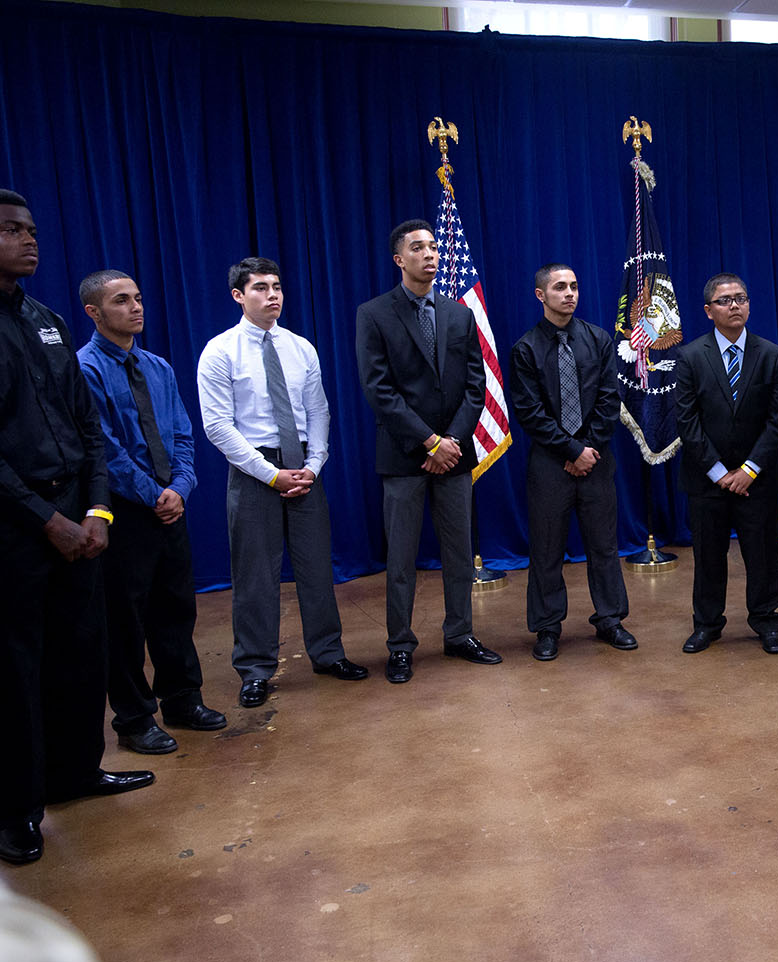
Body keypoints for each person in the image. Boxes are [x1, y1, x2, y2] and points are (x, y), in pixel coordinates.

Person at [0, 189, 153, 867]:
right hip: (15, 528)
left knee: (79, 656)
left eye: (31, 228)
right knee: (15, 674)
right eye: (11, 230)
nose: (29, 240)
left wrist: (96, 510)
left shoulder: (48, 322)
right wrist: (46, 520)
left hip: (79, 519)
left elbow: (87, 429)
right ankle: (17, 809)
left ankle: (76, 773)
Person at [197, 257, 368, 709]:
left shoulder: (300, 348)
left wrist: (313, 465)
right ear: (238, 295)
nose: (272, 295)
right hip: (256, 474)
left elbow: (319, 413)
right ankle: (255, 669)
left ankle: (328, 655)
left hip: (305, 471)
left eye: (276, 286)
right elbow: (218, 426)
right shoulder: (220, 351)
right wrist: (271, 474)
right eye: (260, 288)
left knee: (316, 571)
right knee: (255, 578)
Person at [77, 270, 226, 754]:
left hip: (170, 505)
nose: (136, 308)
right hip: (125, 512)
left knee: (176, 608)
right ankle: (135, 717)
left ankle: (183, 699)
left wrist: (179, 488)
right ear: (94, 313)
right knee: (126, 619)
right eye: (122, 301)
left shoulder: (158, 366)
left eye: (138, 298)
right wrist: (152, 494)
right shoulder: (84, 369)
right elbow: (103, 448)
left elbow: (183, 434)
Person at [356, 219, 501, 684]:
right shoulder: (374, 314)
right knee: (401, 559)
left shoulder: (459, 314)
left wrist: (452, 442)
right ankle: (400, 645)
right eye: (418, 248)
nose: (430, 253)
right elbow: (379, 390)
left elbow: (476, 387)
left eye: (434, 246)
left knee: (460, 552)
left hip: (455, 456)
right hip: (405, 457)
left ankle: (460, 635)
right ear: (400, 259)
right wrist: (429, 441)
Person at [509, 264, 635, 662]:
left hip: (596, 459)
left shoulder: (598, 339)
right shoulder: (526, 348)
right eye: (560, 287)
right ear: (540, 295)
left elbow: (608, 399)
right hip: (550, 464)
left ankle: (610, 618)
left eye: (574, 286)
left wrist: (587, 450)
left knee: (603, 544)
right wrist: (570, 451)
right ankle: (547, 627)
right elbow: (530, 413)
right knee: (546, 549)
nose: (569, 294)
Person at [674, 273, 778, 655]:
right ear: (709, 311)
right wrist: (721, 473)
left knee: (762, 555)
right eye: (724, 300)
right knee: (709, 556)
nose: (734, 305)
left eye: (741, 298)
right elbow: (687, 422)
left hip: (757, 479)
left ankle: (767, 622)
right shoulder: (690, 356)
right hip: (709, 481)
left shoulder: (771, 354)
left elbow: (777, 419)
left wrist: (749, 470)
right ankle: (707, 624)